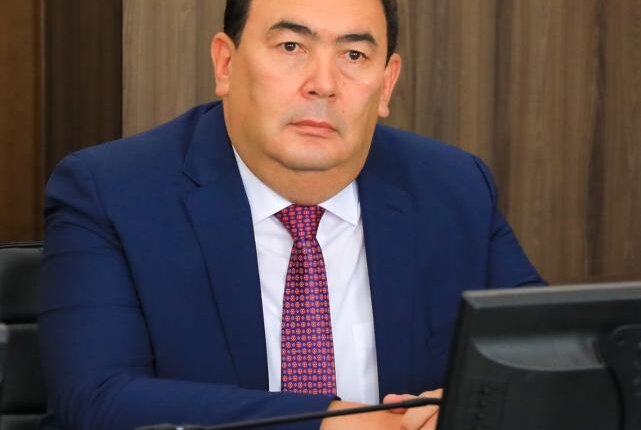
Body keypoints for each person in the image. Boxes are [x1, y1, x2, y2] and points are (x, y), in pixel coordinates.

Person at [39, 0, 544, 429]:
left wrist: (458, 410)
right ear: (225, 64)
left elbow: (552, 356)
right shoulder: (112, 193)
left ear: (387, 82)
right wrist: (330, 422)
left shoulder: (453, 189)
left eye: (353, 54)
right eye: (291, 47)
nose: (323, 84)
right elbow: (97, 399)